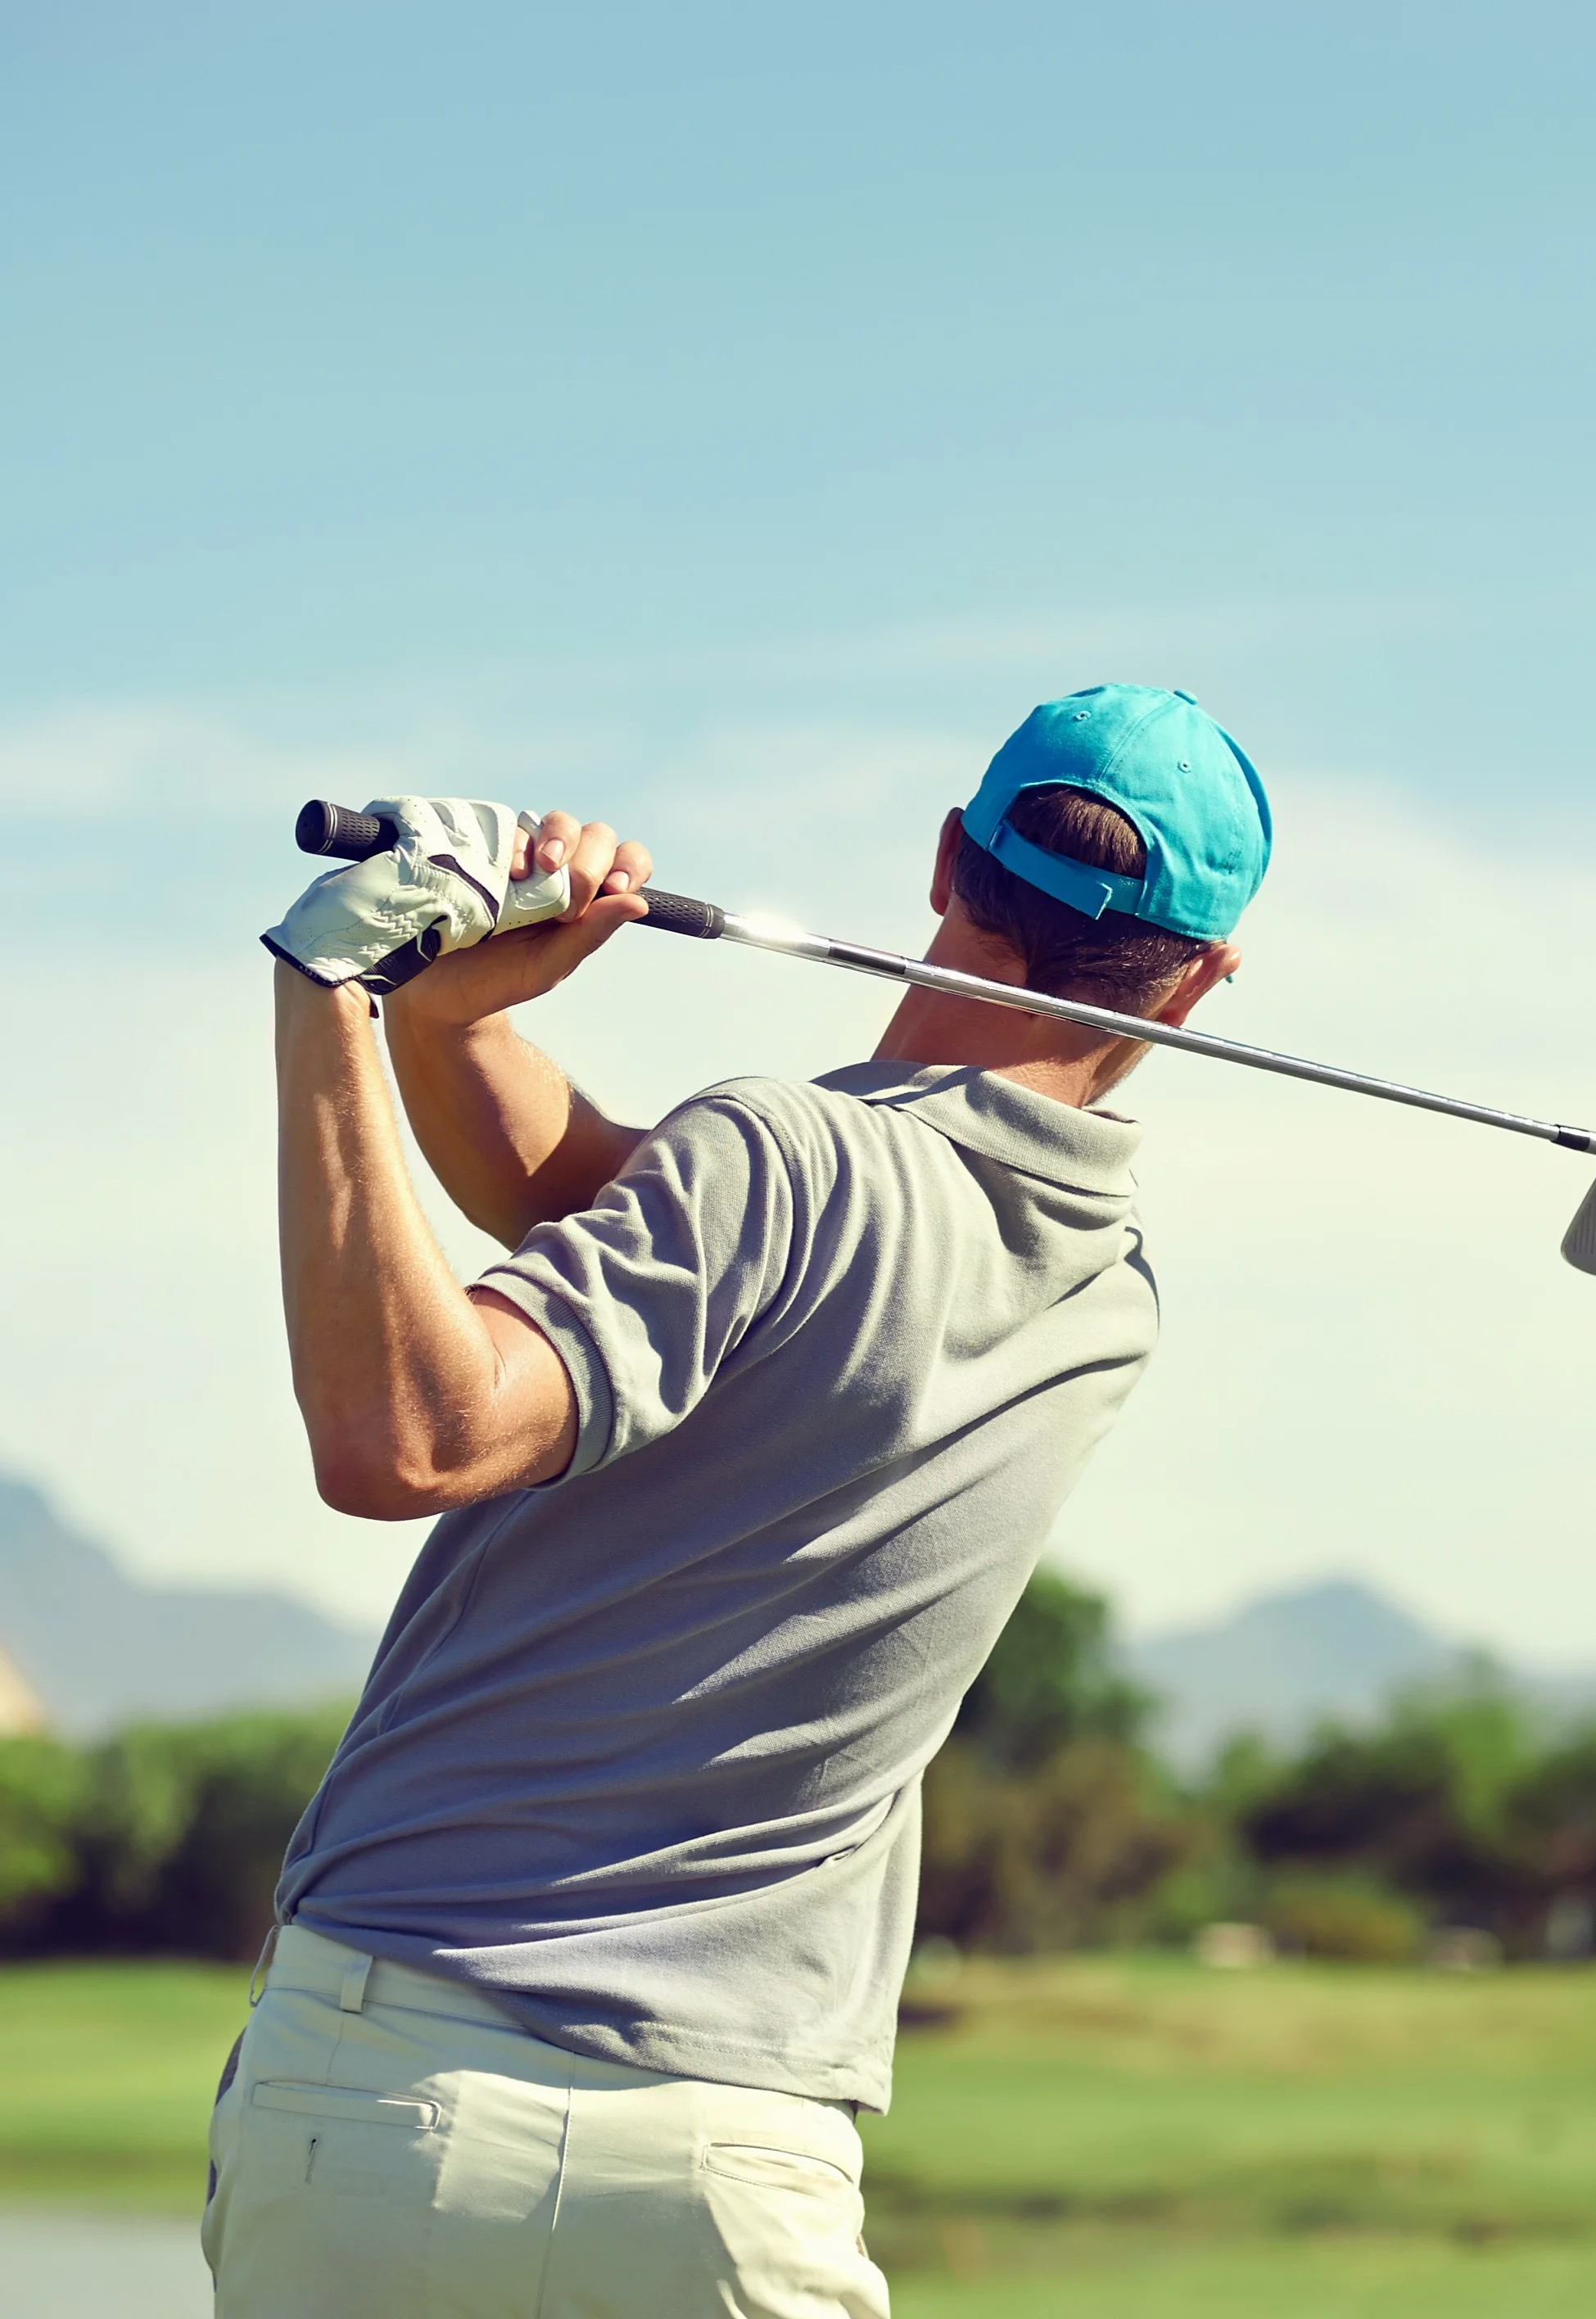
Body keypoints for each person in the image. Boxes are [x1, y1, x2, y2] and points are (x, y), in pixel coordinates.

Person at [206, 684, 1271, 2318]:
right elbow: (617, 1222)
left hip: (396, 2086)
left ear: (943, 862)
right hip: (735, 2169)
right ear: (1201, 984)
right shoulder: (1106, 1287)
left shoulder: (778, 1160)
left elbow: (406, 1435)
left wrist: (340, 989)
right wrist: (456, 1026)